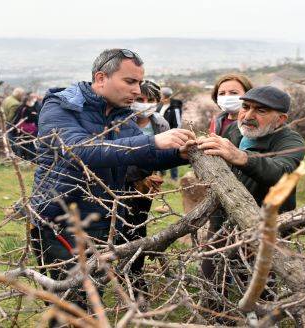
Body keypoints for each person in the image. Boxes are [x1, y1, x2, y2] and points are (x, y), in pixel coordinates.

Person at [29, 49, 195, 313]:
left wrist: (179, 154)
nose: (137, 90)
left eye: (139, 83)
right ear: (101, 78)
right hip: (62, 223)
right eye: (130, 82)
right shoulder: (61, 107)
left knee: (89, 296)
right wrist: (152, 140)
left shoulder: (120, 116)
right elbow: (77, 150)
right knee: (70, 306)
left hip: (103, 223)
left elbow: (141, 159)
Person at [195, 86, 305, 315]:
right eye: (246, 107)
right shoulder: (235, 131)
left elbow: (280, 172)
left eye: (261, 110)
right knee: (212, 284)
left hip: (262, 228)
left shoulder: (290, 140)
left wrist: (241, 157)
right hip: (222, 222)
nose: (248, 115)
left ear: (281, 118)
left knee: (259, 291)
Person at [120, 80, 169, 294]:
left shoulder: (161, 124)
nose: (145, 104)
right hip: (120, 184)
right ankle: (119, 271)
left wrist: (155, 175)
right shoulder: (120, 122)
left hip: (145, 187)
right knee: (119, 229)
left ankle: (135, 276)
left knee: (138, 227)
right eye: (140, 99)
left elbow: (163, 154)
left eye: (151, 100)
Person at [156, 86, 183, 180]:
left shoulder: (174, 107)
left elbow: (178, 123)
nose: (159, 97)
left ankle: (174, 177)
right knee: (160, 155)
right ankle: (161, 174)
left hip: (171, 136)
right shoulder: (159, 106)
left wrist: (175, 135)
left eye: (160, 95)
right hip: (160, 135)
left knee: (172, 155)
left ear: (166, 96)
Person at [10, 92, 40, 160]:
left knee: (28, 145)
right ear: (28, 101)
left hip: (29, 131)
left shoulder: (32, 108)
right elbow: (17, 120)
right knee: (27, 146)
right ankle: (30, 160)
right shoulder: (23, 109)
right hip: (25, 131)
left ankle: (29, 160)